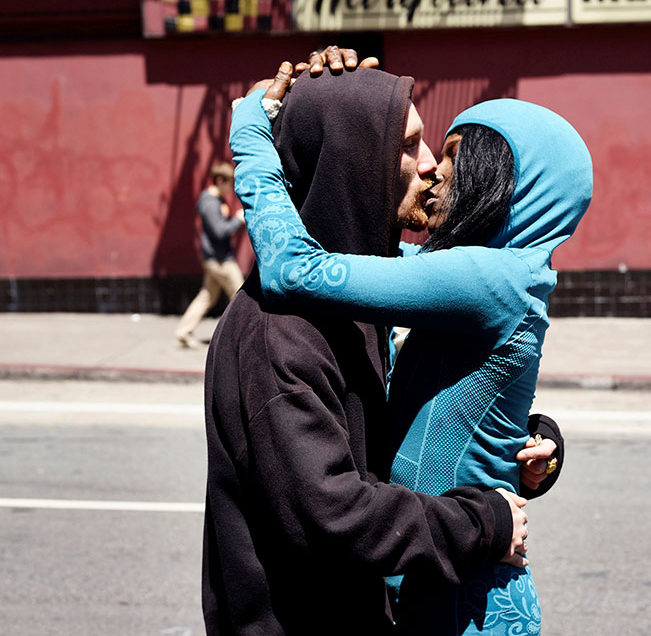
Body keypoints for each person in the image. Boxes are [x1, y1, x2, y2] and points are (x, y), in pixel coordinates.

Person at [230, 59, 592, 635]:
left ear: (502, 183)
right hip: (442, 571)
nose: (434, 172)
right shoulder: (490, 272)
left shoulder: (489, 277)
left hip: (466, 600)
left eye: (453, 159)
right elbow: (359, 243)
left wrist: (250, 132)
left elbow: (297, 268)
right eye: (426, 151)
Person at [175, 162, 246, 349]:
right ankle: (245, 337)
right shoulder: (210, 203)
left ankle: (183, 332)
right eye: (229, 183)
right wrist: (237, 220)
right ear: (220, 181)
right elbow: (220, 231)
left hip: (215, 258)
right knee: (241, 295)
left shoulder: (214, 201)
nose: (231, 189)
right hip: (220, 260)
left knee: (207, 296)